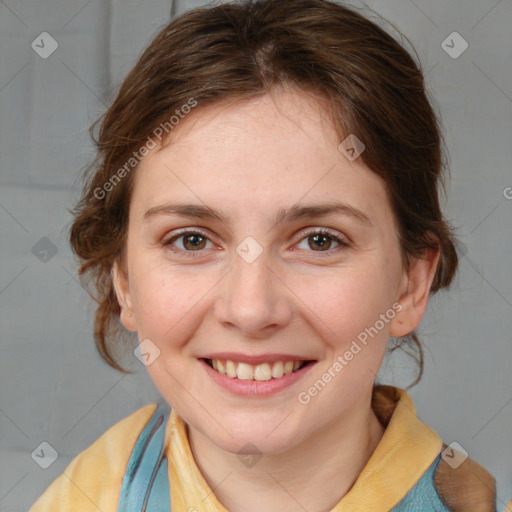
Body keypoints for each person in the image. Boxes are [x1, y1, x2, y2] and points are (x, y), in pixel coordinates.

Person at [30, 0, 498, 510]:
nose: (251, 310)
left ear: (411, 283)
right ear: (124, 280)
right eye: (191, 240)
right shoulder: (84, 493)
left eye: (320, 240)